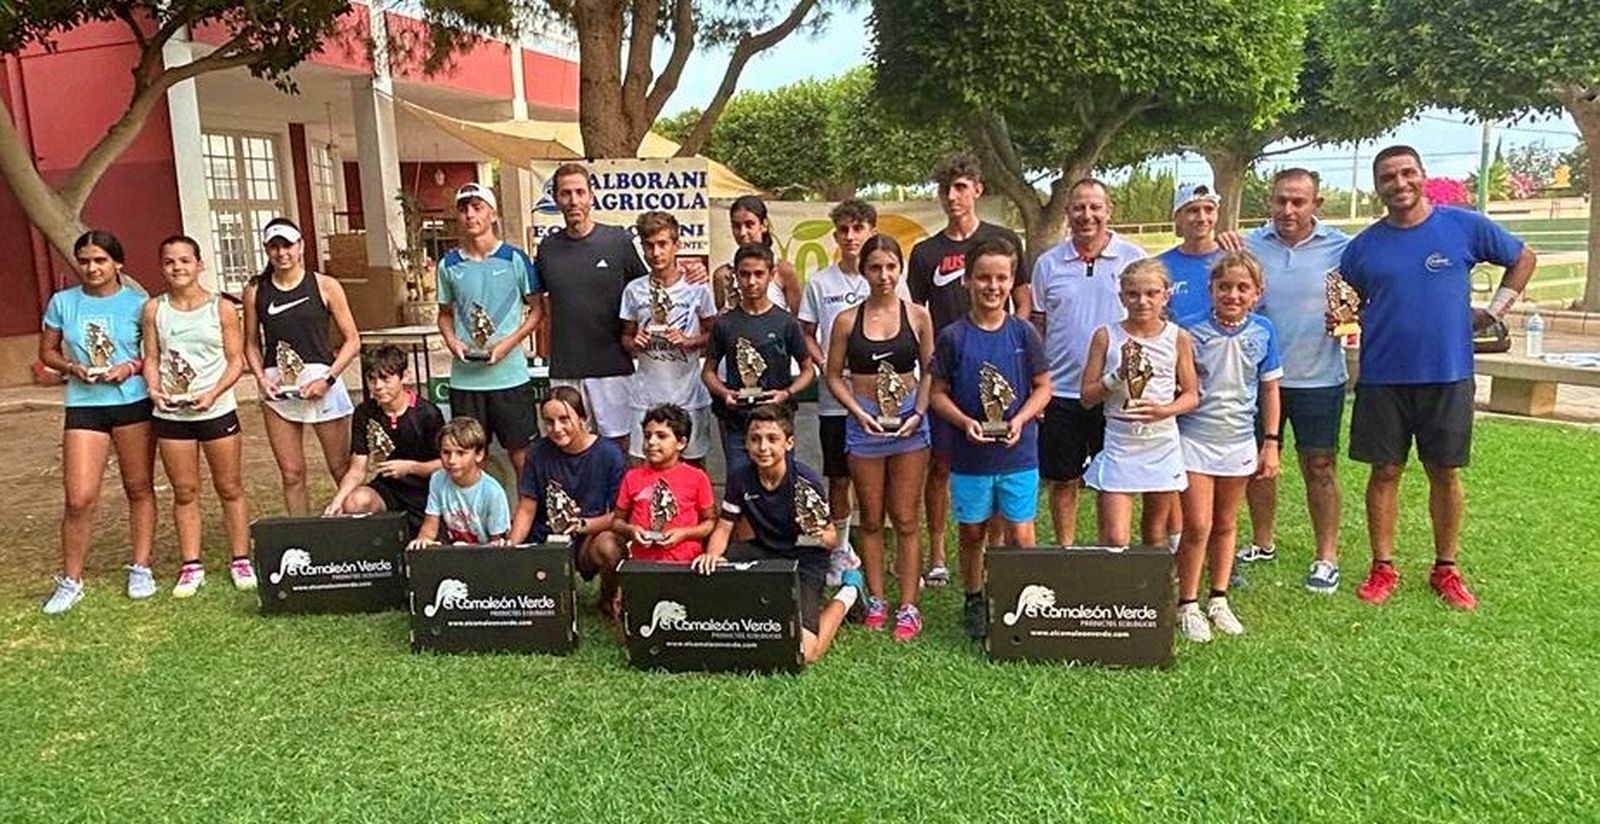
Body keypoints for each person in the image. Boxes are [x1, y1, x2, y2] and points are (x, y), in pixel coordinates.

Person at [1339, 145, 1535, 610]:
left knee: (1443, 471)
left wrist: (1494, 311)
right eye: (1388, 177)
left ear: (1422, 174)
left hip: (1448, 374)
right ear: (1377, 186)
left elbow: (1523, 258)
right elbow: (1346, 302)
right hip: (1383, 377)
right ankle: (1382, 566)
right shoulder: (1362, 248)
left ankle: (1445, 568)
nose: (1399, 183)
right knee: (1384, 471)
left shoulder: (1463, 226)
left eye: (1407, 172)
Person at [1219, 168, 1354, 594]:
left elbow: (1359, 301)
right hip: (1258, 380)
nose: (1288, 209)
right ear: (1270, 201)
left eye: (1298, 201)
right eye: (1280, 200)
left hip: (1319, 378)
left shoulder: (1342, 248)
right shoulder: (1248, 245)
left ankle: (1326, 557)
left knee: (1320, 466)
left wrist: (1351, 319)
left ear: (1317, 204)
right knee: (1259, 465)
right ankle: (1263, 542)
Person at [907, 155, 1030, 585]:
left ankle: (992, 549)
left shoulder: (1003, 240)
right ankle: (939, 553)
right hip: (951, 373)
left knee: (996, 464)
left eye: (961, 187)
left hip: (1000, 375)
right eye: (946, 189)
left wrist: (1015, 347)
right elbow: (917, 316)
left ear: (977, 189)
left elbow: (1024, 301)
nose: (953, 196)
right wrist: (931, 364)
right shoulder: (925, 252)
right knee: (941, 466)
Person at [927, 236, 1052, 639]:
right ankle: (975, 598)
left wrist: (1022, 419)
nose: (992, 286)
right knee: (972, 532)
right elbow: (937, 393)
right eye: (983, 278)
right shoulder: (953, 336)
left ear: (1012, 281)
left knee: (1021, 533)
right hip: (970, 456)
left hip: (1018, 453)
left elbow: (1043, 386)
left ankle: (1018, 596)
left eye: (1001, 278)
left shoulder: (1024, 333)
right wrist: (964, 421)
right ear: (967, 280)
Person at [39, 230, 158, 614]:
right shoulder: (63, 302)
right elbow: (47, 351)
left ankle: (141, 567)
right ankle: (71, 580)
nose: (92, 268)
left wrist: (130, 367)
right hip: (84, 404)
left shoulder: (138, 304)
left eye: (100, 260)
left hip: (132, 402)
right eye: (85, 261)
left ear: (117, 263)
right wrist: (72, 367)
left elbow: (153, 353)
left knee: (138, 486)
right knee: (79, 497)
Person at [691, 405, 865, 664]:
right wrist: (712, 556)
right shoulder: (740, 478)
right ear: (746, 444)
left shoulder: (805, 482)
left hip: (806, 559)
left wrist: (816, 531)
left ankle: (849, 590)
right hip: (766, 550)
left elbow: (831, 540)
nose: (763, 447)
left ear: (788, 443)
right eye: (755, 439)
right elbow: (725, 526)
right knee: (716, 563)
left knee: (805, 652)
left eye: (772, 439)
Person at [824, 234, 934, 641]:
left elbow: (931, 371)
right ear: (864, 270)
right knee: (870, 518)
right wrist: (858, 412)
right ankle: (876, 599)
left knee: (905, 518)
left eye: (890, 267)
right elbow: (833, 375)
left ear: (900, 269)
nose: (884, 275)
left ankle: (908, 606)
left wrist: (918, 413)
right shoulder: (846, 321)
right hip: (865, 424)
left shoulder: (918, 316)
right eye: (875, 267)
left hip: (909, 426)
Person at [1030, 179, 1148, 542]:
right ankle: (1065, 551)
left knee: (1110, 481)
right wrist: (1037, 386)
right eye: (1079, 207)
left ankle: (1107, 553)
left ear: (1109, 210)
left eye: (1095, 207)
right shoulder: (1048, 264)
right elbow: (1038, 327)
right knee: (1063, 479)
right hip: (1061, 392)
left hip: (1113, 392)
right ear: (1068, 212)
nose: (1087, 215)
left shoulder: (1134, 258)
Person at [1175, 252, 1282, 642]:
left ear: (1257, 293)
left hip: (1238, 441)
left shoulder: (1264, 331)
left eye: (1242, 288)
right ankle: (1187, 603)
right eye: (1224, 287)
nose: (1232, 295)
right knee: (1197, 525)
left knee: (1225, 523)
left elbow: (1270, 389)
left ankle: (1218, 599)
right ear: (1211, 290)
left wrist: (1270, 442)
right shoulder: (1188, 331)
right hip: (1194, 439)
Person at [141, 236, 251, 597]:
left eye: (185, 260)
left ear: (199, 264)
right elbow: (152, 358)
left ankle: (241, 558)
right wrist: (154, 390)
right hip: (172, 413)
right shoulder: (154, 309)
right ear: (162, 267)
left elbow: (236, 361)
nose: (178, 267)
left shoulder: (221, 308)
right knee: (185, 490)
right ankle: (191, 564)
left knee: (229, 486)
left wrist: (213, 393)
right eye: (170, 261)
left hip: (215, 409)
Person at [243, 218, 359, 515]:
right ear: (267, 250)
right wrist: (261, 379)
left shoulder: (325, 285)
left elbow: (352, 340)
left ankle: (357, 527)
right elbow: (251, 343)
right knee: (292, 473)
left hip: (322, 382)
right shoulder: (256, 290)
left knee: (340, 467)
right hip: (278, 387)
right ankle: (302, 533)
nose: (282, 253)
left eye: (288, 245)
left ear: (301, 246)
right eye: (274, 247)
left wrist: (328, 379)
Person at [797, 199, 886, 584]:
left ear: (872, 231)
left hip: (879, 399)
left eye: (858, 228)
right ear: (835, 235)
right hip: (835, 398)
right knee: (839, 477)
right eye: (844, 230)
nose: (851, 237)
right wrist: (825, 365)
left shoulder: (886, 277)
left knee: (881, 477)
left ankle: (880, 550)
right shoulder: (821, 282)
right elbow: (805, 332)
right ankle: (840, 552)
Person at [1080, 258, 1198, 545]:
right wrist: (1116, 377)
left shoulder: (1178, 337)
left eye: (1151, 293)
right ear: (1122, 297)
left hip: (1161, 440)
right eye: (1133, 294)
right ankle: (1113, 574)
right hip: (1120, 440)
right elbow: (1086, 397)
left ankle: (1155, 575)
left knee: (1155, 531)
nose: (1142, 301)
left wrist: (1163, 410)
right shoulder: (1106, 336)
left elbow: (1191, 395)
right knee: (1115, 536)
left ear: (1165, 295)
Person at [536, 164, 648, 450]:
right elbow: (538, 303)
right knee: (568, 447)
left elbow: (648, 290)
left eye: (580, 192)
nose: (573, 200)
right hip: (566, 369)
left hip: (613, 367)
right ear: (555, 198)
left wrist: (689, 273)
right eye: (566, 193)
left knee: (617, 449)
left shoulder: (618, 241)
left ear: (591, 196)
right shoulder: (547, 248)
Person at [436, 182, 543, 477]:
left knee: (522, 458)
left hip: (510, 378)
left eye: (477, 208)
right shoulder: (448, 264)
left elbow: (537, 310)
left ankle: (527, 509)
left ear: (492, 214)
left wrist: (508, 344)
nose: (470, 215)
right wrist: (452, 341)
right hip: (466, 381)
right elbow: (444, 314)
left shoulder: (514, 259)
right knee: (469, 460)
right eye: (463, 209)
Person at [508, 387, 627, 614]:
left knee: (610, 546)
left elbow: (619, 515)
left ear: (582, 418)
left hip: (587, 538)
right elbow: (526, 507)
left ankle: (608, 598)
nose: (557, 428)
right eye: (549, 422)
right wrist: (511, 547)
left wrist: (581, 525)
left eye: (564, 419)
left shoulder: (609, 454)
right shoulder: (536, 453)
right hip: (545, 538)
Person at [702, 243, 815, 477]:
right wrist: (724, 393)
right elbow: (708, 372)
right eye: (744, 274)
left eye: (758, 274)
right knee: (740, 485)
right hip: (738, 422)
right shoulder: (724, 323)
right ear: (735, 276)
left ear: (771, 275)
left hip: (777, 421)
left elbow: (808, 370)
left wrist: (787, 393)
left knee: (779, 483)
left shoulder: (786, 322)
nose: (751, 281)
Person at [620, 211, 718, 466]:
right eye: (649, 245)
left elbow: (715, 335)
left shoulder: (697, 287)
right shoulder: (633, 290)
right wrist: (635, 342)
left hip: (689, 396)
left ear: (677, 245)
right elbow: (626, 337)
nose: (656, 252)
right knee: (642, 468)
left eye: (663, 244)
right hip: (646, 398)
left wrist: (690, 341)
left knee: (693, 469)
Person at [322, 344, 444, 534]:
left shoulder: (427, 414)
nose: (378, 386)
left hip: (426, 490)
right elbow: (357, 469)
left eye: (386, 379)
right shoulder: (364, 412)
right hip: (387, 488)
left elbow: (445, 464)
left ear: (405, 376)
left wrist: (411, 467)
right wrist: (338, 500)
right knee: (355, 502)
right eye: (372, 379)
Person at [612, 404, 717, 564]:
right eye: (647, 436)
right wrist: (631, 530)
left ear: (681, 443)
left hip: (684, 563)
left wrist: (685, 533)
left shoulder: (697, 477)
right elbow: (617, 521)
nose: (651, 442)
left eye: (661, 436)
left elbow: (710, 522)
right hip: (642, 562)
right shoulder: (632, 477)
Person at [410, 417, 511, 548]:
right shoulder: (438, 479)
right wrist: (422, 540)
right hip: (453, 551)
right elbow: (430, 527)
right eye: (446, 452)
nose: (452, 460)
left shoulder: (493, 492)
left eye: (461, 453)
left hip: (483, 553)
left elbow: (496, 543)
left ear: (479, 455)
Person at [712, 195, 800, 313]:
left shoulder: (784, 270)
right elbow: (721, 319)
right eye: (736, 226)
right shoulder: (722, 275)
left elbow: (798, 318)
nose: (743, 233)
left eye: (749, 224)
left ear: (763, 225)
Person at [1157, 183, 1224, 324]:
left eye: (1209, 209)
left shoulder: (1231, 262)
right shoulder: (1158, 266)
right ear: (1177, 217)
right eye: (1193, 210)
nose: (1202, 218)